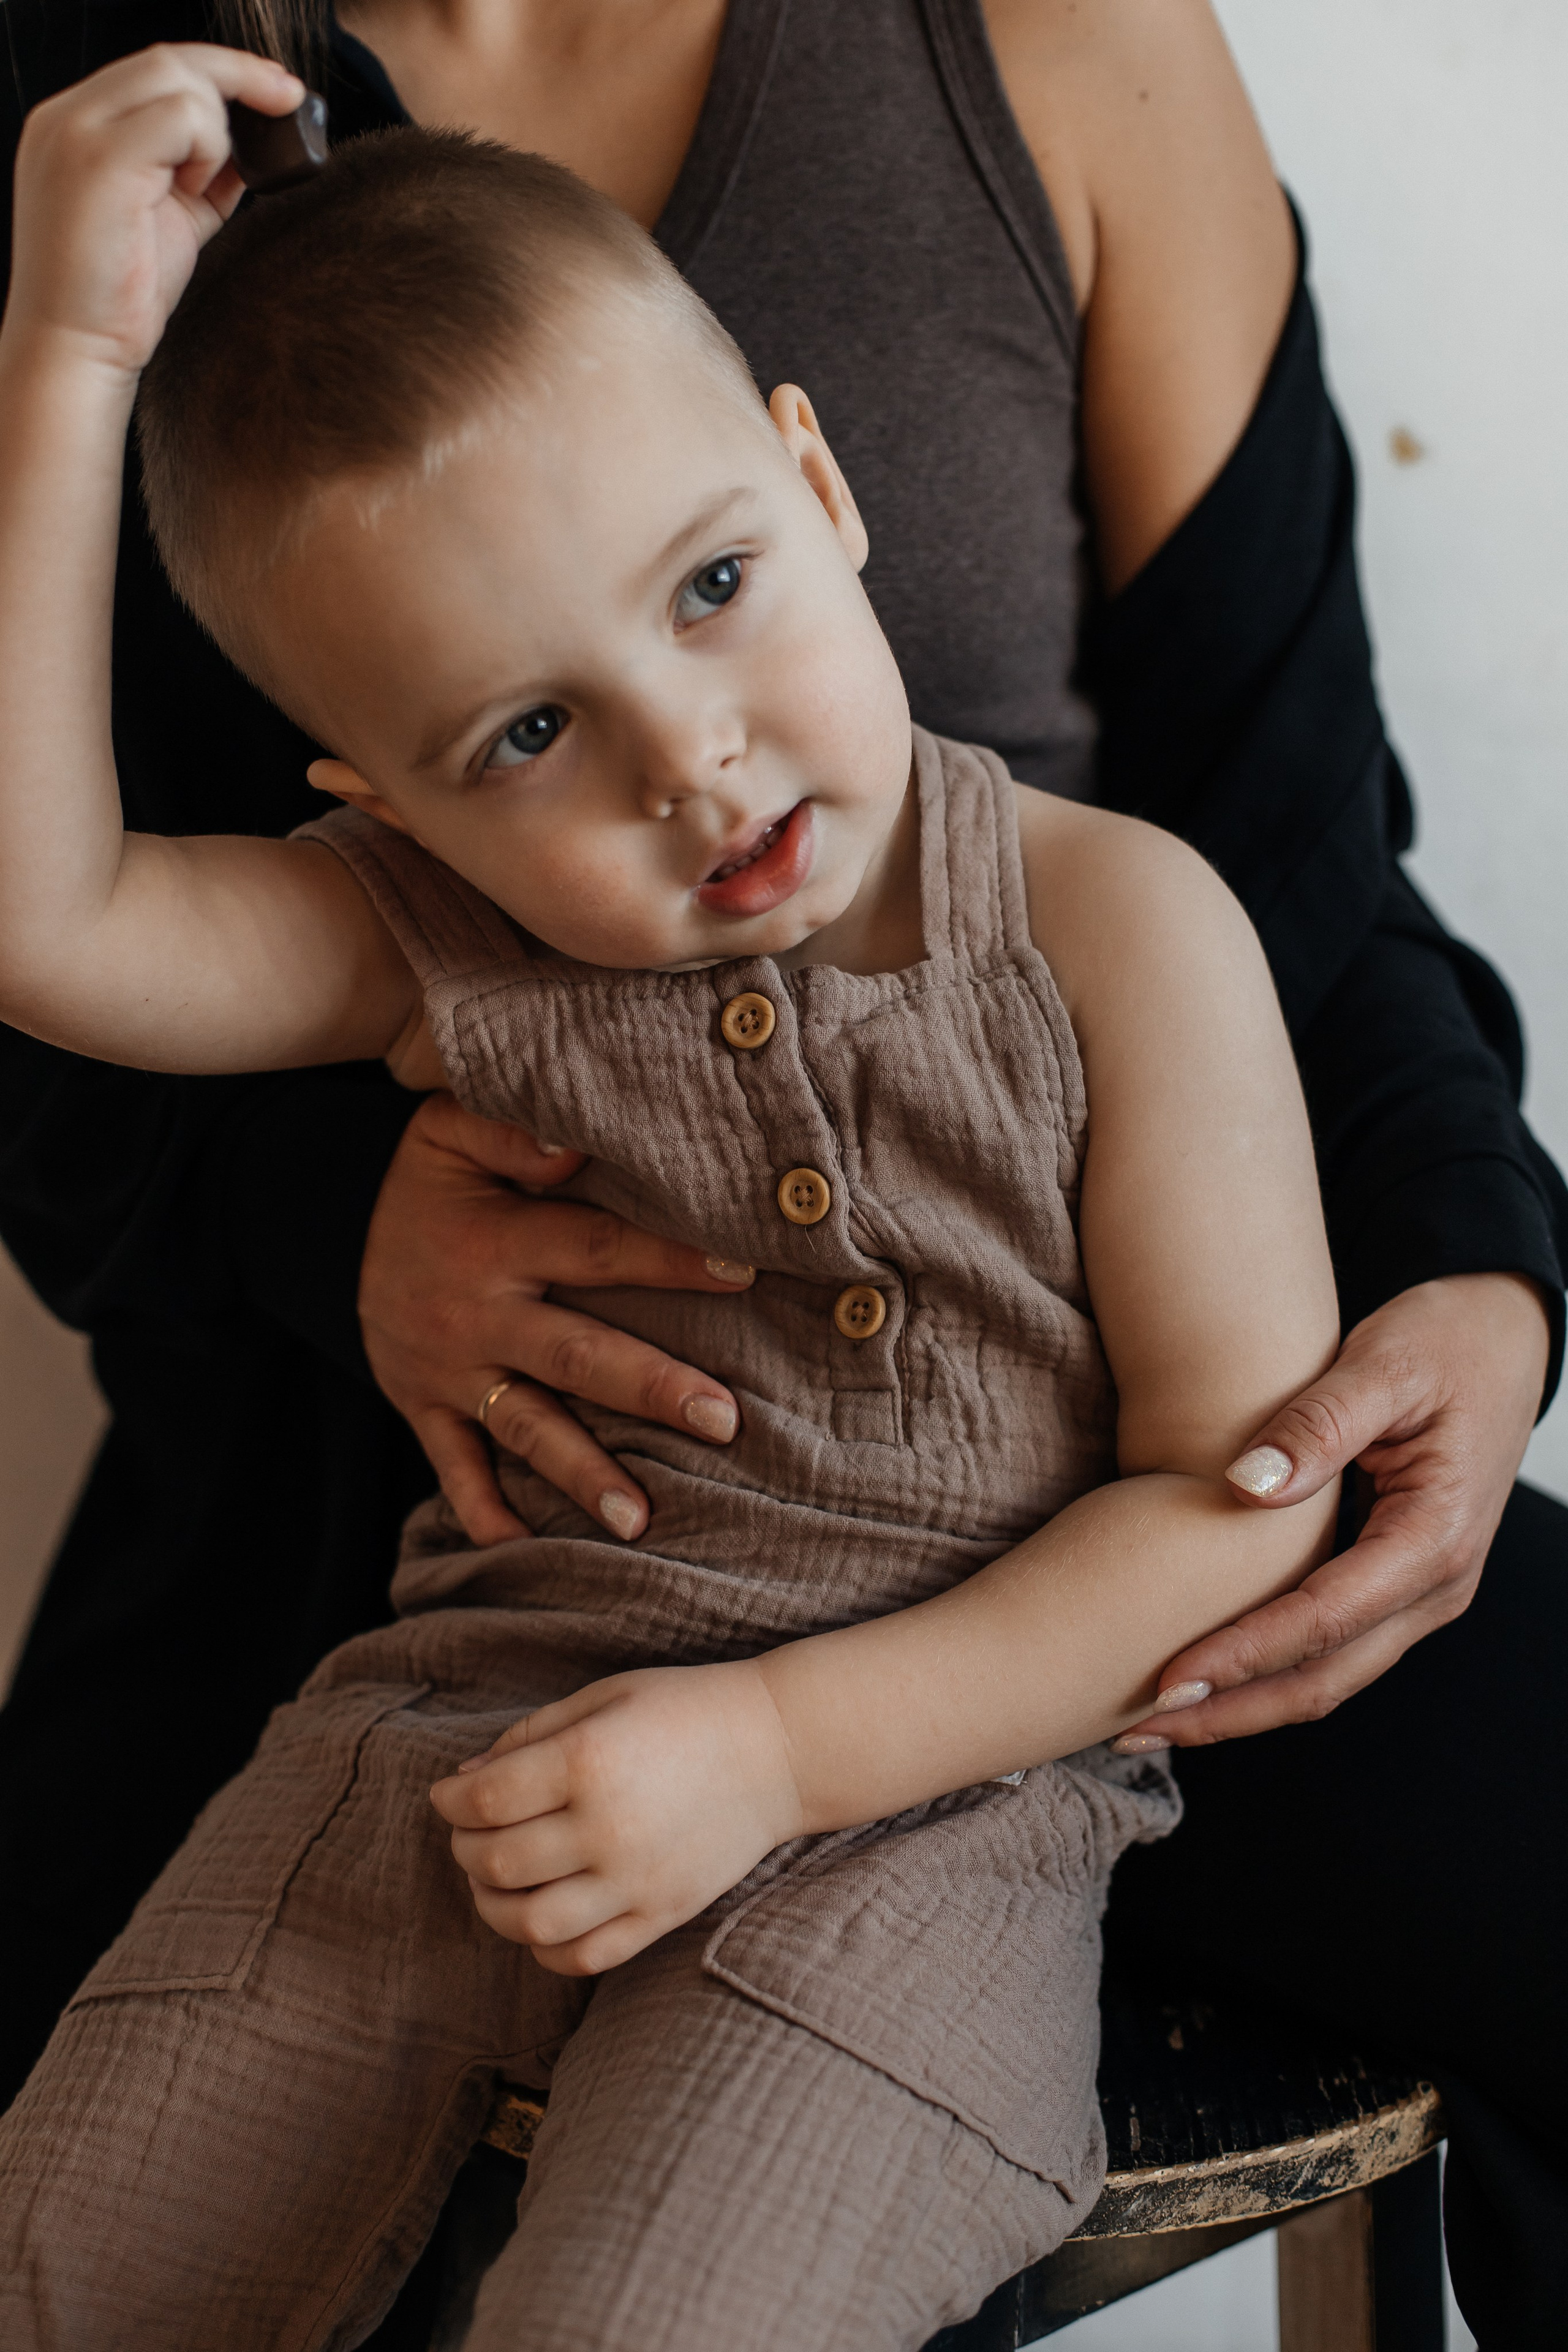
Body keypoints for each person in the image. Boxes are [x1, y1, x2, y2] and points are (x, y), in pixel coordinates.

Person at [0, 1, 1561, 2338]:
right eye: (529, 734)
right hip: (446, 1550)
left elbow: (1301, 853)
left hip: (1036, 1605)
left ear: (824, 492)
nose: (694, 770)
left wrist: (1481, 1260)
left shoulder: (1116, 920)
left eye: (717, 589)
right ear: (388, 801)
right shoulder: (432, 915)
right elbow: (48, 948)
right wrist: (56, 358)